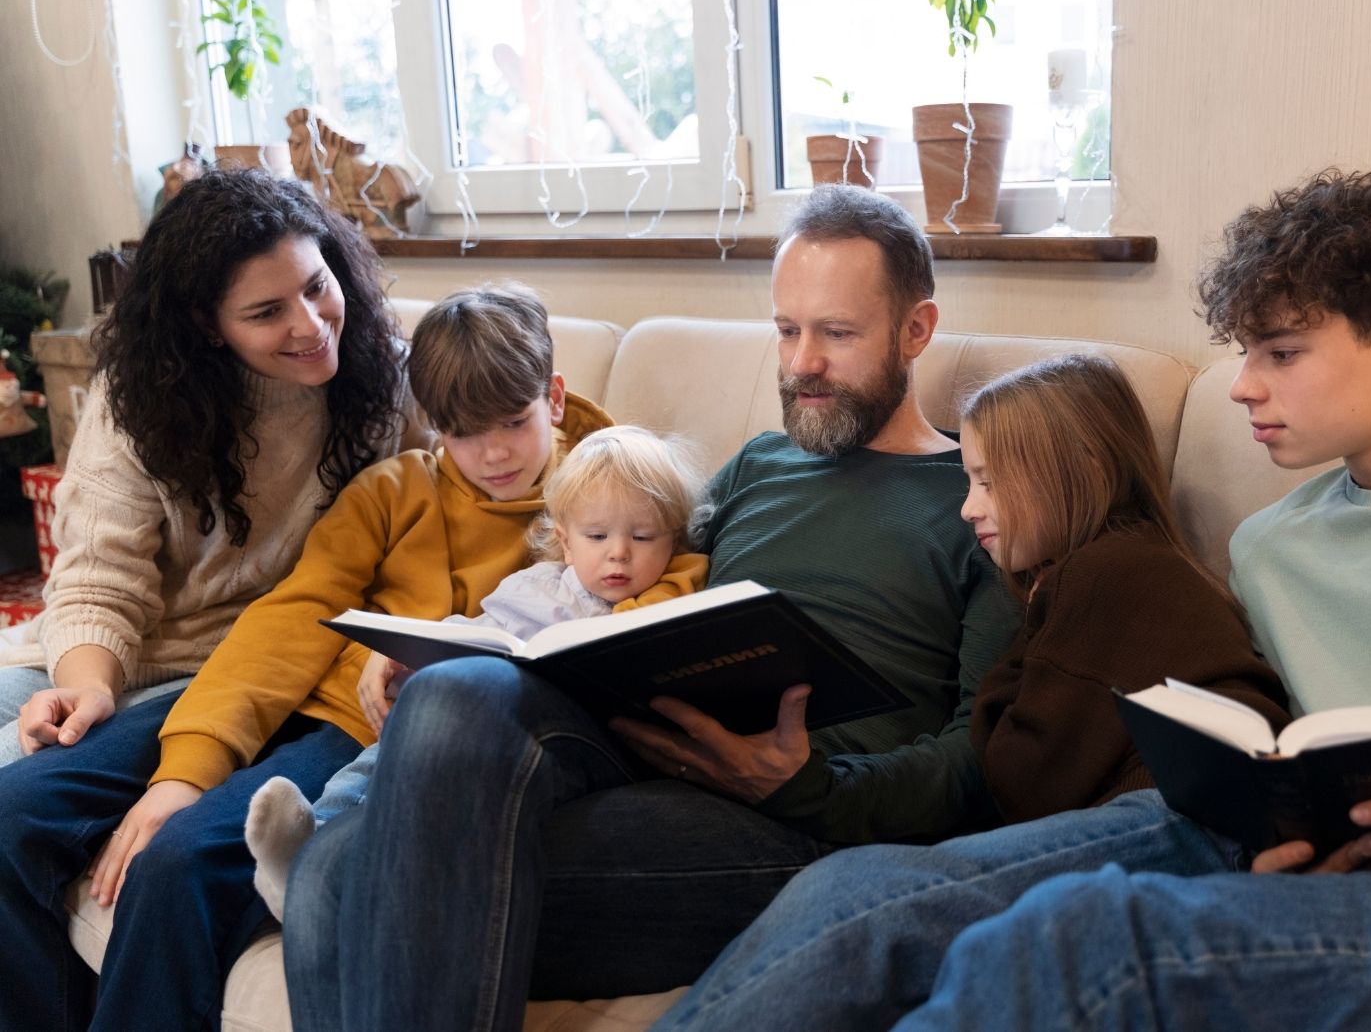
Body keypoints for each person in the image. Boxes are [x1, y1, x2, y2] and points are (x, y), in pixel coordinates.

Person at [650, 169, 1371, 1032]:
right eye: (1243, 353)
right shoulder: (1272, 548)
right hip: (1323, 866)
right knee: (865, 893)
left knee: (1085, 940)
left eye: (1280, 353)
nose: (1243, 386)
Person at [280, 183, 1021, 1031]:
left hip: (790, 825)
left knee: (339, 875)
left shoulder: (977, 503)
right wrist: (442, 643)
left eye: (837, 334)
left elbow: (982, 759)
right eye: (786, 329)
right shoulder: (759, 466)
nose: (800, 363)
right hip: (635, 755)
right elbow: (608, 565)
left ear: (916, 331)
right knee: (442, 705)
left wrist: (807, 786)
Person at [0, 284, 613, 1032]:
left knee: (178, 864)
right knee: (12, 809)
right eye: (459, 432)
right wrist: (185, 771)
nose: (490, 455)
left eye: (513, 424)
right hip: (271, 694)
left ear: (552, 397)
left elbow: (641, 617)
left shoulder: (608, 505)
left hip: (362, 735)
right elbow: (289, 620)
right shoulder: (396, 487)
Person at [0, 167, 415, 766]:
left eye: (317, 285)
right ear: (206, 324)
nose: (311, 324)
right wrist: (87, 687)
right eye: (267, 311)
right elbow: (97, 580)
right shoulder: (139, 400)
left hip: (262, 666)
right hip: (131, 657)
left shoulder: (388, 378)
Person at [244, 423, 711, 918]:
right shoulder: (538, 586)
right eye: (597, 536)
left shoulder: (666, 593)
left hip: (561, 745)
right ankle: (311, 835)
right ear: (566, 542)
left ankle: (323, 862)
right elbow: (477, 631)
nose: (619, 553)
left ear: (673, 540)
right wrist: (413, 656)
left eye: (642, 536)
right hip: (481, 713)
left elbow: (684, 584)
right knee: (390, 748)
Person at [958, 353, 1287, 824]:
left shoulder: (1105, 573)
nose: (969, 508)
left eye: (989, 482)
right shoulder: (1140, 557)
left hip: (1182, 813)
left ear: (1086, 468)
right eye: (970, 482)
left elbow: (1022, 781)